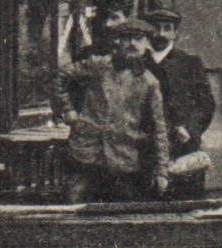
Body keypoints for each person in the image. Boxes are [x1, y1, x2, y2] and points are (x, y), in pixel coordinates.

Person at [50, 18, 169, 203]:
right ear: (118, 42)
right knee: (72, 209)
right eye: (127, 39)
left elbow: (159, 128)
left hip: (124, 160)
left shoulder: (149, 82)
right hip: (86, 155)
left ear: (146, 44)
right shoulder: (98, 65)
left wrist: (162, 171)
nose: (132, 44)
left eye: (138, 39)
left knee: (119, 215)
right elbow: (59, 78)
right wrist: (67, 109)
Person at [142, 6, 215, 196]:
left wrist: (190, 129)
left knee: (187, 193)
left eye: (167, 29)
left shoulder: (190, 63)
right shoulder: (139, 63)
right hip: (147, 142)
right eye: (156, 28)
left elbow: (206, 105)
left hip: (183, 142)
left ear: (175, 33)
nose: (161, 34)